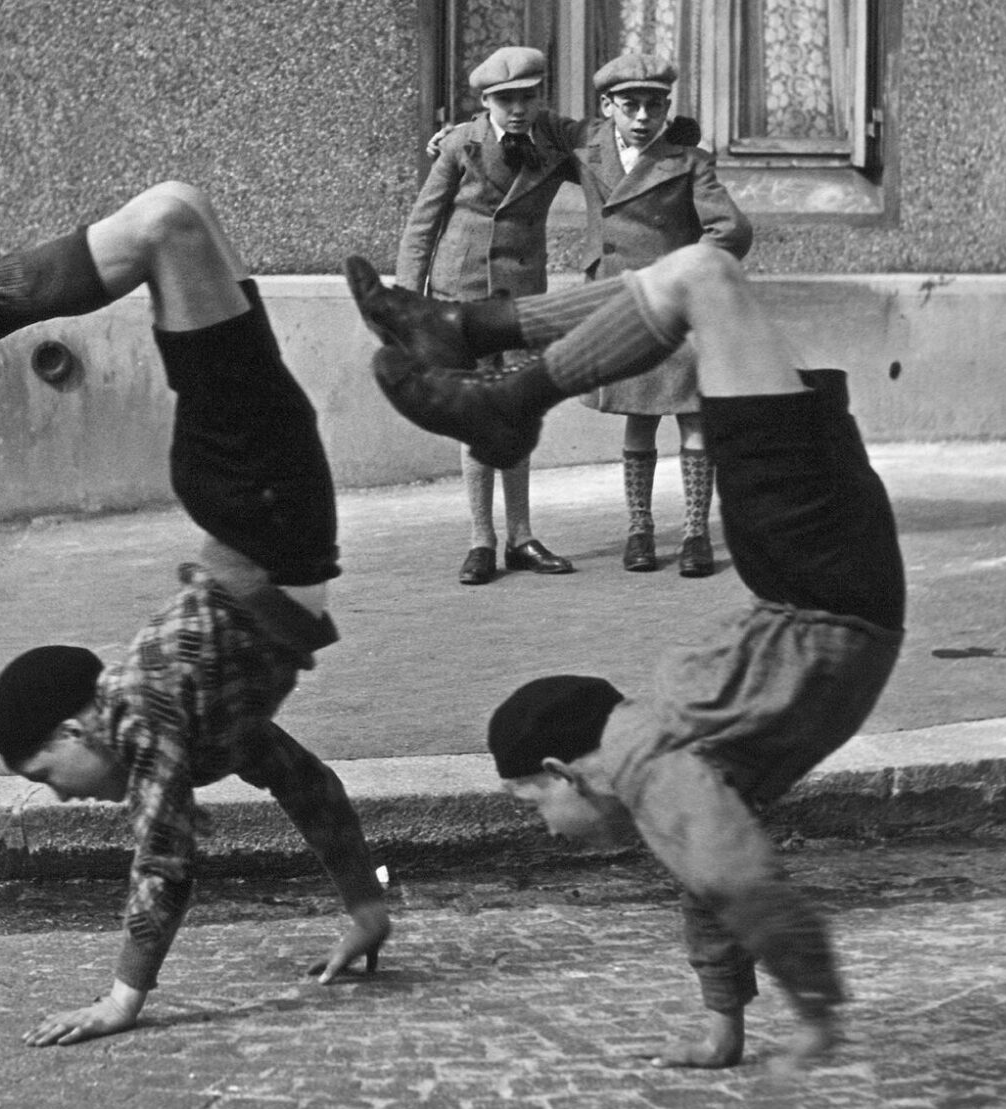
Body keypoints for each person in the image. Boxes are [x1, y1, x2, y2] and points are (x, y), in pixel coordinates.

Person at [0, 181, 391, 1047]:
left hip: (263, 502)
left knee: (170, 222)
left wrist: (123, 998)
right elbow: (310, 785)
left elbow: (164, 860)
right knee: (176, 218)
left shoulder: (148, 712)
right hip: (264, 502)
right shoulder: (205, 724)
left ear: (81, 726)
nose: (63, 798)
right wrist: (365, 905)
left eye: (45, 774)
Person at [344, 243, 904, 1069]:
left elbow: (735, 880)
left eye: (534, 802)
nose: (545, 828)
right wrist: (734, 1016)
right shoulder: (662, 763)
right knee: (701, 280)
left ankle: (496, 385)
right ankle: (472, 345)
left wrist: (813, 1004)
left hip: (823, 569)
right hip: (814, 568)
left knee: (702, 280)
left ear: (564, 768)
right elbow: (715, 877)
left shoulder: (646, 761)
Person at [398, 46, 578, 584]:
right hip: (463, 293)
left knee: (519, 412)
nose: (518, 109)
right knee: (475, 416)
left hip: (521, 299)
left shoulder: (554, 141)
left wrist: (678, 137)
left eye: (528, 97)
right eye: (505, 101)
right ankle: (481, 540)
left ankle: (522, 537)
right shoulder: (461, 144)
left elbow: (608, 146)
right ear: (485, 102)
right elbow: (421, 226)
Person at [575, 54, 751, 576]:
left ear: (667, 109)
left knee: (693, 416)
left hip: (676, 307)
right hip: (622, 304)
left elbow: (732, 230)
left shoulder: (688, 161)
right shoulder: (588, 151)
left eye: (655, 105)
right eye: (630, 105)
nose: (643, 117)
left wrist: (688, 270)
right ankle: (640, 531)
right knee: (639, 418)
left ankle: (696, 532)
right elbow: (527, 128)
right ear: (607, 107)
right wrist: (452, 136)